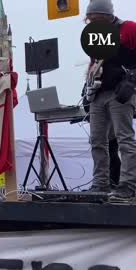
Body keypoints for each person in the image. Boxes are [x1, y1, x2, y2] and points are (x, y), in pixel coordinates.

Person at [84, 0, 136, 200]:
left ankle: (128, 185)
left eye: (95, 19)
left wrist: (132, 80)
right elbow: (95, 64)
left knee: (124, 139)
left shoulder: (129, 28)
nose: (92, 23)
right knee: (97, 140)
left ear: (107, 16)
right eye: (90, 20)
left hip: (120, 92)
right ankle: (101, 184)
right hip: (99, 93)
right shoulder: (96, 36)